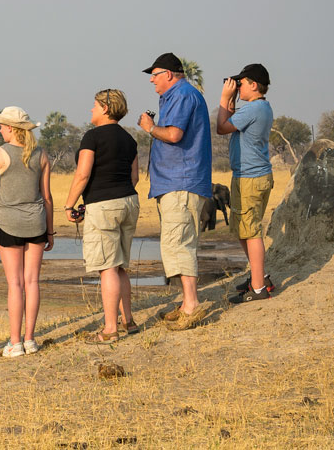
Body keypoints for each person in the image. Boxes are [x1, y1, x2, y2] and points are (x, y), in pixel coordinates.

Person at [138, 52, 213, 330]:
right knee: (179, 242)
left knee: (177, 243)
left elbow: (173, 135)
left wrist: (149, 127)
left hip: (181, 181)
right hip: (177, 181)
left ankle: (191, 305)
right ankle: (186, 302)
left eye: (154, 75)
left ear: (169, 74)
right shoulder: (178, 95)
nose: (152, 81)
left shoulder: (182, 95)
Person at [64, 90, 140, 343]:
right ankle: (128, 320)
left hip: (103, 205)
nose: (91, 110)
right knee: (119, 266)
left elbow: (82, 174)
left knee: (107, 267)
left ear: (106, 108)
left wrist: (69, 204)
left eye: (94, 105)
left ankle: (109, 329)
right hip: (129, 201)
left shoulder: (92, 137)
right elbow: (135, 178)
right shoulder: (130, 139)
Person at [0, 106, 54, 357]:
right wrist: (51, 231)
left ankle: (14, 343)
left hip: (7, 224)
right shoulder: (41, 154)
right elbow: (47, 197)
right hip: (36, 223)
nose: (0, 129)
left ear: (12, 129)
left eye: (2, 125)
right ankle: (30, 340)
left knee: (15, 283)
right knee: (32, 282)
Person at [216, 63, 275, 304]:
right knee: (244, 230)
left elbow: (221, 127)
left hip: (251, 178)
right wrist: (230, 101)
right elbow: (230, 121)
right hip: (252, 176)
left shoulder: (253, 109)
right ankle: (259, 277)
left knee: (251, 233)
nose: (238, 86)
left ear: (254, 84)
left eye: (241, 83)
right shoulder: (260, 108)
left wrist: (223, 98)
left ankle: (259, 288)